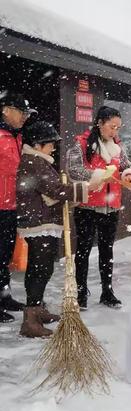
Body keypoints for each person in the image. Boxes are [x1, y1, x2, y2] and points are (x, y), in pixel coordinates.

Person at [16, 121, 105, 337]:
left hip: (40, 221)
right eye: (50, 144)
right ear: (37, 145)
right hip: (39, 224)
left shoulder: (36, 161)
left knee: (42, 268)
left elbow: (52, 191)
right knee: (40, 268)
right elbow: (56, 190)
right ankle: (31, 318)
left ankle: (37, 310)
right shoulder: (35, 162)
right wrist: (88, 187)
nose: (53, 148)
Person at [67, 106, 131, 310]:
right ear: (100, 123)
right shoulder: (81, 143)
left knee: (107, 251)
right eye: (112, 126)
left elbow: (127, 164)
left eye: (118, 127)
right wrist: (98, 175)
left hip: (111, 206)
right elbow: (73, 169)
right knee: (83, 250)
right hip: (87, 206)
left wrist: (129, 173)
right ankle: (81, 293)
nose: (115, 131)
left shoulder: (118, 145)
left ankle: (107, 291)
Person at [0, 92, 37, 323]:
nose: (24, 117)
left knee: (4, 255)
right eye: (21, 112)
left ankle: (4, 296)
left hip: (10, 206)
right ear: (6, 110)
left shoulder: (17, 136)